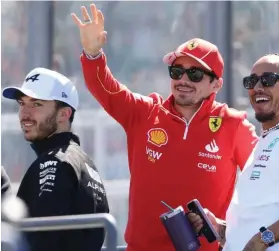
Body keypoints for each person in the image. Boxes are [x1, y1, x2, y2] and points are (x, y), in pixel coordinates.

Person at [71, 4, 258, 251]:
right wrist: (92, 53)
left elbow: (264, 179)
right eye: (177, 71)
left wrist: (231, 227)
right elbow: (104, 88)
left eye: (195, 74)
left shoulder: (233, 124)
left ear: (216, 84)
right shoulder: (145, 112)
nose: (183, 80)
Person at [188, 54, 279, 251]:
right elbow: (262, 216)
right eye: (251, 81)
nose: (258, 87)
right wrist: (222, 229)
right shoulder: (266, 141)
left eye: (268, 79)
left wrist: (263, 239)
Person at [2, 67, 110, 251]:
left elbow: (37, 241)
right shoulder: (83, 162)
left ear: (64, 114)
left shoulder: (54, 162)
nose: (24, 114)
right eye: (22, 103)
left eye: (36, 104)